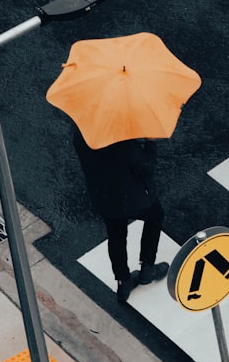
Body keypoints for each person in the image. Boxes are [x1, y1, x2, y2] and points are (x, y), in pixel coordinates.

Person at [72, 126, 169, 303]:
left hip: (105, 198)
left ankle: (123, 282)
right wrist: (150, 143)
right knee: (156, 216)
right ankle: (147, 267)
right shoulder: (120, 140)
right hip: (132, 197)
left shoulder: (80, 135)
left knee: (116, 237)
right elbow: (146, 167)